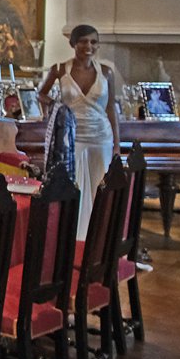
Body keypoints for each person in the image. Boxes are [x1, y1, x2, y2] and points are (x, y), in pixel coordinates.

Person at [38, 24, 120, 239]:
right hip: (71, 136)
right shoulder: (59, 69)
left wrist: (117, 145)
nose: (88, 46)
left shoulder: (106, 72)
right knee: (72, 185)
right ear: (73, 43)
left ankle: (98, 237)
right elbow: (41, 94)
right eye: (83, 41)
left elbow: (111, 108)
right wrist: (55, 105)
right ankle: (72, 236)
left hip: (101, 137)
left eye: (93, 42)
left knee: (100, 186)